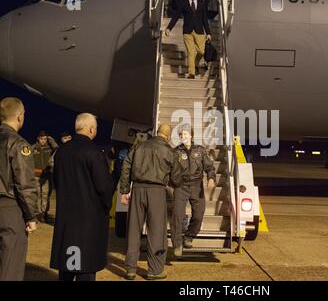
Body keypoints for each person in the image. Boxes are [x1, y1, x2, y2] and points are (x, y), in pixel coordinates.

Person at [50, 113, 114, 281]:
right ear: (92, 129)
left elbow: (56, 181)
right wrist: (105, 207)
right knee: (85, 268)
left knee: (68, 266)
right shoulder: (93, 153)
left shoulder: (61, 152)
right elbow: (104, 187)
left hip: (66, 218)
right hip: (87, 221)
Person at [119, 124, 181, 280]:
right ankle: (154, 270)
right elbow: (177, 177)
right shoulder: (169, 151)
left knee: (134, 229)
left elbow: (126, 166)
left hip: (138, 190)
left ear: (156, 132)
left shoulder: (139, 146)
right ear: (168, 136)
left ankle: (130, 269)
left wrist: (125, 190)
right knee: (157, 232)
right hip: (157, 192)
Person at [0, 97, 38, 281]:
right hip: (9, 210)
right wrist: (30, 216)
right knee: (11, 267)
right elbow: (25, 184)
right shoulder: (18, 144)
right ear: (20, 116)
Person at [171, 124, 215, 257]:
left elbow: (209, 167)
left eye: (185, 134)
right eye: (180, 135)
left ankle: (189, 236)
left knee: (198, 215)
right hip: (181, 186)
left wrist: (211, 178)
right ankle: (177, 244)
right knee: (177, 215)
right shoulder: (175, 152)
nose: (183, 136)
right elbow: (169, 168)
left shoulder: (200, 150)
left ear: (191, 135)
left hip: (197, 186)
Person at [165, 0, 212, 79]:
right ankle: (192, 73)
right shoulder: (183, 2)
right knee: (190, 52)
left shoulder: (201, 3)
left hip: (199, 30)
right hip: (187, 31)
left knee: (202, 52)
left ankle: (195, 64)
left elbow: (204, 19)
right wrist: (169, 28)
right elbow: (176, 16)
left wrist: (208, 33)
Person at [32, 130, 58, 222]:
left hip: (47, 176)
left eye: (45, 139)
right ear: (38, 139)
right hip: (36, 176)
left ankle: (44, 213)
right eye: (42, 139)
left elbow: (57, 148)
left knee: (45, 195)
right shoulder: (33, 148)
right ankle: (37, 213)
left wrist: (51, 139)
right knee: (37, 195)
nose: (43, 141)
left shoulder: (50, 148)